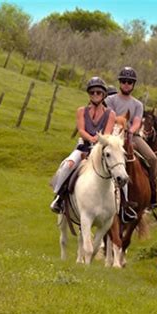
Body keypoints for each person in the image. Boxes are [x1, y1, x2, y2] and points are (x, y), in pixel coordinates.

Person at [50, 77, 116, 213]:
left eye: (98, 92)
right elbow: (81, 130)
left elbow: (108, 133)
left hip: (101, 150)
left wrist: (98, 140)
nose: (95, 95)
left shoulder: (111, 114)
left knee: (119, 170)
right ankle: (58, 197)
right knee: (67, 165)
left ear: (104, 94)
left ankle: (123, 203)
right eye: (92, 92)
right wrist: (91, 138)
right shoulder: (81, 111)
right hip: (83, 147)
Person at [105, 66, 157, 206]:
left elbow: (136, 122)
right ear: (120, 82)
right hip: (113, 134)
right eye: (123, 81)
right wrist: (119, 130)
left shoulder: (138, 104)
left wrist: (130, 131)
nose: (126, 84)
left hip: (131, 135)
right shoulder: (110, 100)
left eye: (129, 82)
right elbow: (110, 119)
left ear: (133, 84)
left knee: (152, 158)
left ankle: (154, 192)